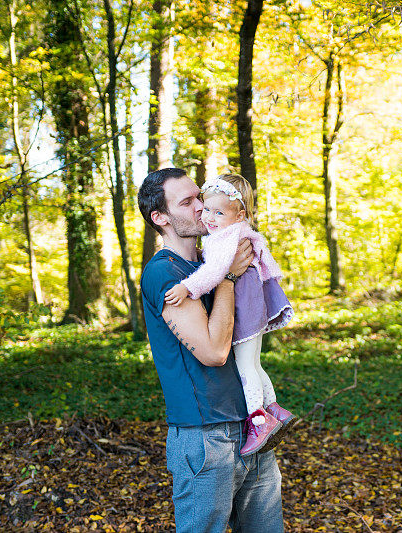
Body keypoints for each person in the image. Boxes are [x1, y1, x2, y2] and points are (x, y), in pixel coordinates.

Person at [138, 168, 284, 533]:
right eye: (187, 203)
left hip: (251, 427)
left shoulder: (210, 259)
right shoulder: (164, 274)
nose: (201, 207)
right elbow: (214, 352)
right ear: (161, 218)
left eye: (199, 196)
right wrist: (229, 278)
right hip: (206, 436)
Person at [164, 173, 296, 456]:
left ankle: (259, 421)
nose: (209, 217)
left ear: (239, 215)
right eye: (207, 209)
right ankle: (275, 409)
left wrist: (187, 287)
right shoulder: (237, 231)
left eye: (219, 212)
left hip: (244, 306)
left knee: (245, 366)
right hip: (253, 303)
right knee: (254, 362)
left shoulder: (225, 238)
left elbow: (214, 272)